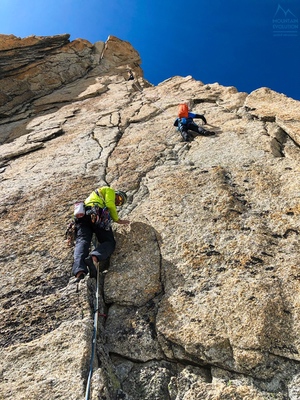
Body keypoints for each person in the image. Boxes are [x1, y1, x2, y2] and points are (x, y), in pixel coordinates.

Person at [72, 186, 130, 282]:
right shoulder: (109, 190)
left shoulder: (90, 197)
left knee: (82, 241)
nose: (117, 202)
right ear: (116, 193)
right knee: (109, 242)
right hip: (97, 214)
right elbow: (110, 204)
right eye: (119, 198)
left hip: (82, 217)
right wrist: (118, 220)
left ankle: (79, 271)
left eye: (120, 203)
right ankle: (94, 258)